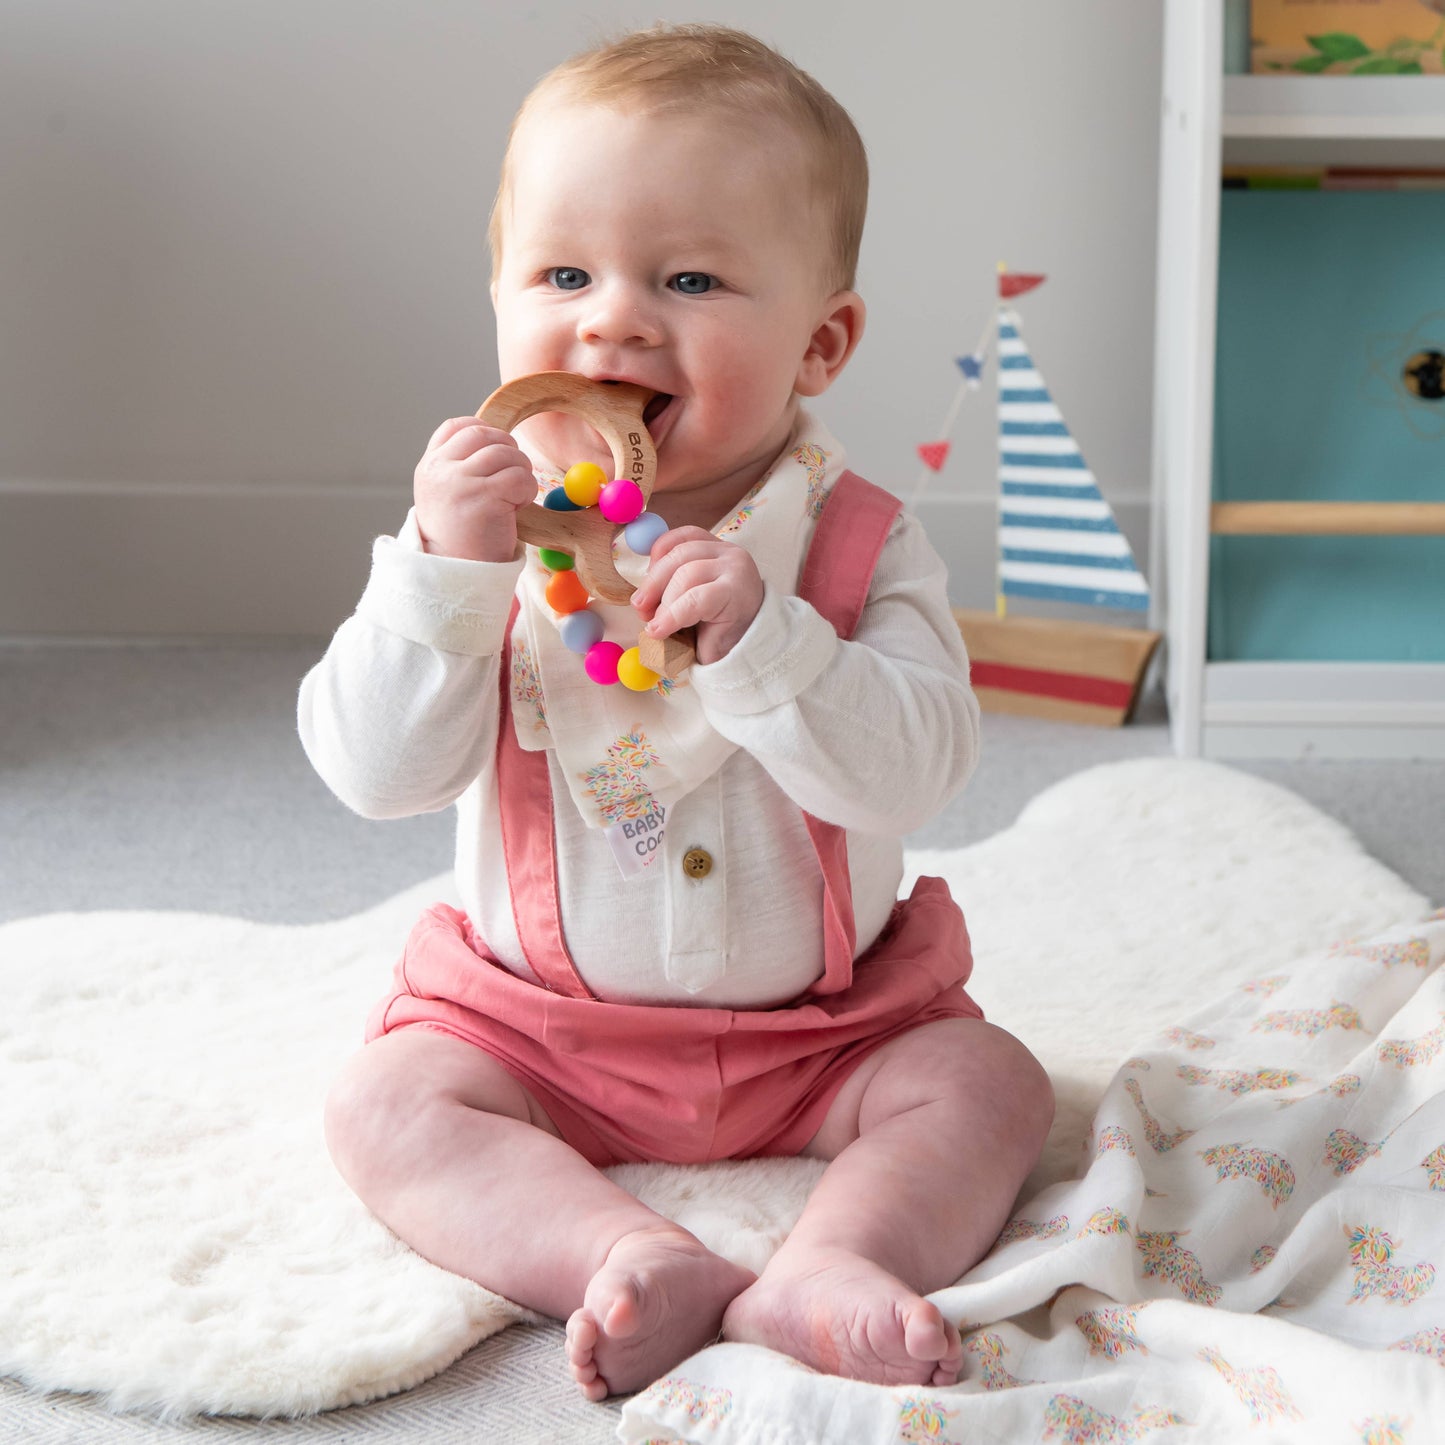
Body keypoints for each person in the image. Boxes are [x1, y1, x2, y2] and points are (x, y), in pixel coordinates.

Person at [299, 22, 1053, 1403]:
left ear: (819, 342)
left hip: (825, 1031)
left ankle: (835, 1258)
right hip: (537, 1031)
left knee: (992, 1080)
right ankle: (618, 1252)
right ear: (502, 307)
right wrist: (438, 584)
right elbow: (372, 773)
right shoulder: (476, 544)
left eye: (690, 278)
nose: (614, 320)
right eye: (563, 274)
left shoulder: (859, 543)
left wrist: (774, 643)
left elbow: (914, 774)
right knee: (383, 1102)